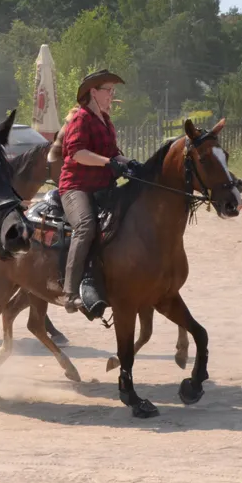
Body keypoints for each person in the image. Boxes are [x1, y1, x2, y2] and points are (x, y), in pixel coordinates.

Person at [58, 69, 137, 314]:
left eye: (113, 91)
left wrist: (131, 162)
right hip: (75, 187)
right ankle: (70, 293)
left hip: (103, 187)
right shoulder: (81, 118)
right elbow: (77, 153)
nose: (112, 95)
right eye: (109, 90)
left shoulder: (105, 120)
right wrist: (108, 163)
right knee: (85, 226)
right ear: (93, 92)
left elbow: (114, 154)